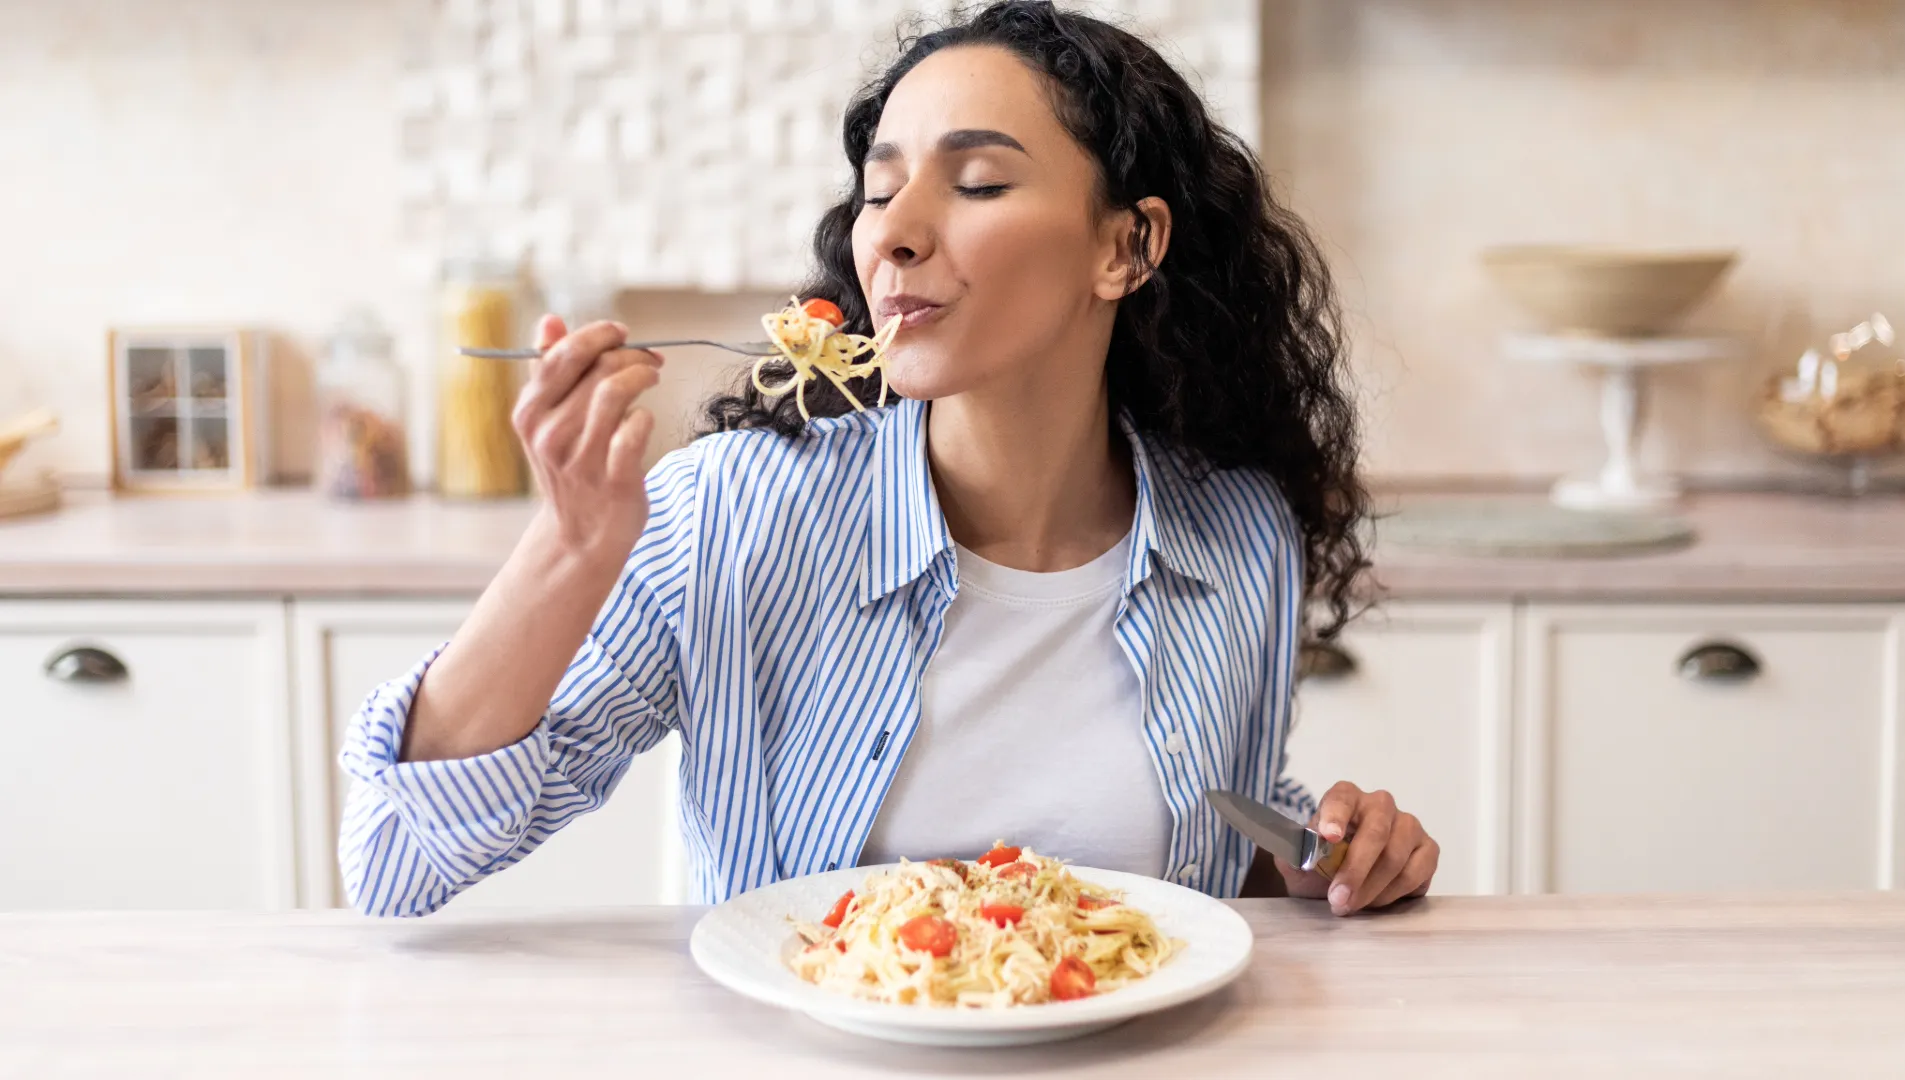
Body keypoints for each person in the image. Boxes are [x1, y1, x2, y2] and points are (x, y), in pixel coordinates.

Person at [339, 0, 1438, 918]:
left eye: (977, 184)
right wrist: (571, 549)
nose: (892, 233)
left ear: (1126, 246)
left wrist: (1326, 852)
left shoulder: (1238, 535)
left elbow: (1207, 844)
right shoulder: (736, 513)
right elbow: (395, 861)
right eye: (879, 188)